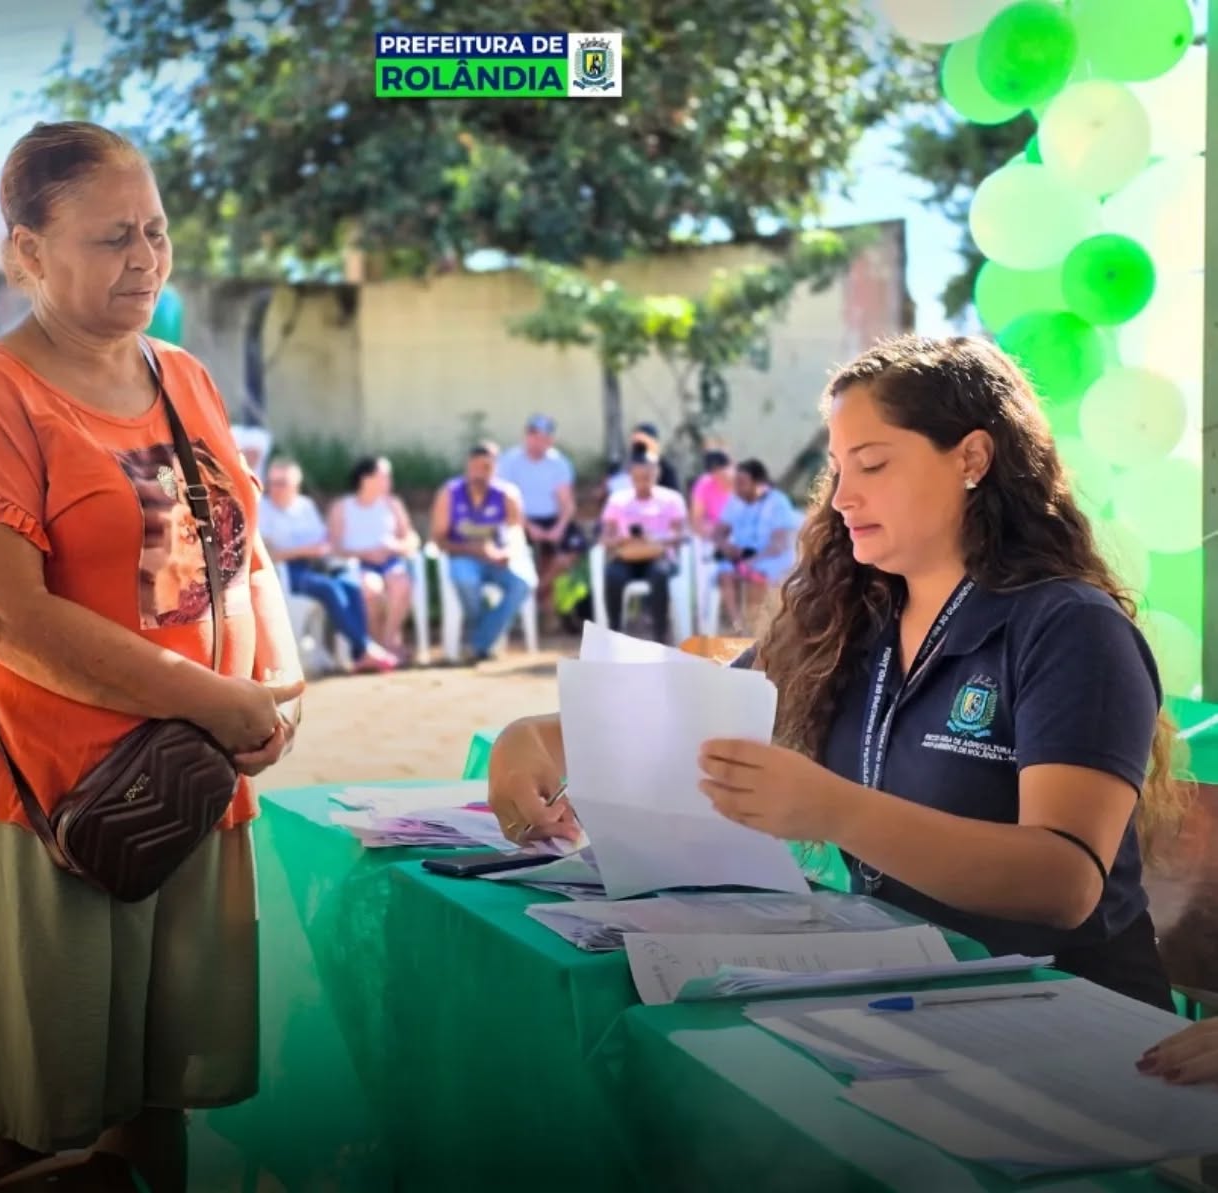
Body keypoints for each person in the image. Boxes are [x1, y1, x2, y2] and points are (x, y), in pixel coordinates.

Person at [488, 334, 1184, 1011]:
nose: (842, 496)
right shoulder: (850, 612)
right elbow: (701, 716)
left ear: (972, 457)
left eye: (872, 464)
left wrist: (835, 809)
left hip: (1069, 1017)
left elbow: (1064, 881)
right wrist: (544, 737)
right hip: (909, 993)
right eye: (838, 468)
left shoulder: (1070, 627)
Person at [0, 120, 304, 1192]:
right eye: (111, 236)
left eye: (156, 231)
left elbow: (243, 547)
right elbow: (0, 614)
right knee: (24, 1111)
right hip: (49, 798)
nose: (145, 257)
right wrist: (212, 696)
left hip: (193, 782)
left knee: (157, 1094)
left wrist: (278, 680)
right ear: (26, 251)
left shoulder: (185, 377)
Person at [260, 457, 396, 673]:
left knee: (351, 584)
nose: (276, 488)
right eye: (273, 483)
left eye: (283, 483)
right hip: (285, 572)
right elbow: (266, 554)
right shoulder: (262, 509)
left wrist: (323, 549)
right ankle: (364, 649)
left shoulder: (305, 506)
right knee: (330, 589)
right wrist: (304, 551)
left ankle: (359, 653)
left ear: (296, 485)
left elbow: (323, 538)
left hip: (317, 566)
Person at [431, 442, 532, 662]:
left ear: (496, 468)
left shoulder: (507, 495)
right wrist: (473, 549)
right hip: (462, 557)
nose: (479, 473)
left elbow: (517, 534)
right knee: (465, 580)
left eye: (486, 467)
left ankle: (477, 642)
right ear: (467, 466)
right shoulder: (449, 494)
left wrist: (507, 553)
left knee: (522, 584)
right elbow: (438, 539)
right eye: (475, 467)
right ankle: (483, 641)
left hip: (497, 560)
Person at [328, 455, 420, 659]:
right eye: (384, 476)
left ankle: (388, 643)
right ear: (365, 479)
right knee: (372, 589)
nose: (389, 481)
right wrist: (364, 553)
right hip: (357, 565)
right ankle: (376, 647)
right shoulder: (342, 507)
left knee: (401, 584)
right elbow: (334, 547)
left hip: (390, 562)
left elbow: (411, 538)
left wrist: (396, 546)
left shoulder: (393, 504)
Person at [497, 413, 585, 618]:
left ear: (551, 440)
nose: (538, 442)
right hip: (517, 520)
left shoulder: (559, 462)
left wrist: (559, 527)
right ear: (526, 436)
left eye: (543, 437)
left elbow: (567, 502)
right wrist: (527, 526)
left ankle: (535, 593)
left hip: (551, 519)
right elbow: (505, 502)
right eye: (533, 436)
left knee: (573, 547)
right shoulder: (509, 461)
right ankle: (540, 606)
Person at [597, 449, 687, 642]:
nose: (643, 481)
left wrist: (656, 538)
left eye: (648, 476)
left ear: (657, 473)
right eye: (638, 477)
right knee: (612, 575)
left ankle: (660, 636)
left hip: (659, 556)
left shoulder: (672, 499)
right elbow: (605, 537)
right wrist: (622, 539)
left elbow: (681, 534)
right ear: (631, 475)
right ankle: (614, 634)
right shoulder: (617, 500)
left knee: (659, 575)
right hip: (627, 557)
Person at [713, 458, 801, 634]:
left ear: (758, 483)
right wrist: (726, 546)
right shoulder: (735, 501)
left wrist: (752, 561)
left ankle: (756, 629)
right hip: (742, 555)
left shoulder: (777, 503)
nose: (737, 488)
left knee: (754, 574)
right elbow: (719, 532)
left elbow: (779, 545)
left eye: (742, 483)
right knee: (725, 573)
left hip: (772, 558)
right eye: (736, 483)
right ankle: (738, 626)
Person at [689, 447, 734, 538]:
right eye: (714, 472)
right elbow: (696, 521)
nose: (719, 475)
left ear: (733, 465)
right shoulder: (704, 484)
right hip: (715, 538)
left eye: (723, 469)